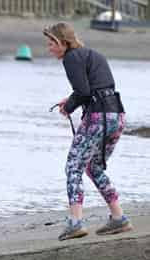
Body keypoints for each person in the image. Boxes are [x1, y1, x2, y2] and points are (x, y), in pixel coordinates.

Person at [43, 22, 133, 241]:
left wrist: (69, 106)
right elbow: (95, 89)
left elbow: (82, 91)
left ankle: (75, 222)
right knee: (93, 167)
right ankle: (119, 217)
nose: (49, 48)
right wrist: (73, 100)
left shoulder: (71, 58)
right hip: (116, 116)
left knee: (73, 166)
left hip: (98, 118)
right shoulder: (93, 54)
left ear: (63, 42)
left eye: (52, 43)